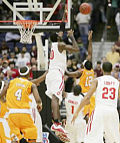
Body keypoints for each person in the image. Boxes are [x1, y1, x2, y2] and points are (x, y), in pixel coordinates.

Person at [72, 62, 120, 143]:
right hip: (112, 111)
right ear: (111, 70)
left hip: (99, 111)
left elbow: (87, 97)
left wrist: (77, 112)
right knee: (114, 140)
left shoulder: (97, 80)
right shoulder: (117, 82)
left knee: (91, 139)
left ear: (101, 70)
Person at [45, 29, 79, 141]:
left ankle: (58, 124)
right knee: (55, 98)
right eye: (60, 34)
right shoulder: (60, 44)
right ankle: (56, 123)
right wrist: (72, 36)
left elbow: (66, 72)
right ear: (58, 38)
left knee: (56, 99)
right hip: (56, 74)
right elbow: (76, 49)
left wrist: (75, 74)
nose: (61, 34)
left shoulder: (55, 46)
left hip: (53, 73)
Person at [0, 66, 42, 143]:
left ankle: (20, 139)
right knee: (32, 135)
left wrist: (5, 101)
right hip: (24, 113)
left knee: (14, 136)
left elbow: (1, 95)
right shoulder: (31, 84)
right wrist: (39, 105)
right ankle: (24, 140)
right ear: (29, 74)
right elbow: (38, 100)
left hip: (12, 114)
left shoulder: (11, 82)